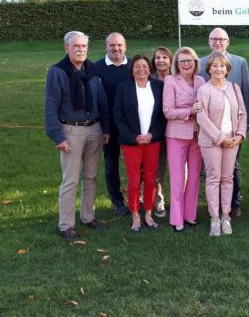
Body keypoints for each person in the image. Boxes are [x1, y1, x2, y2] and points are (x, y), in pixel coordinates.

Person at [44, 31, 110, 241]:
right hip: (71, 131)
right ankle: (66, 225)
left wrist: (106, 129)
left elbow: (102, 101)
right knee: (70, 180)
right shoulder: (57, 72)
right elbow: (50, 106)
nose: (81, 50)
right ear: (67, 48)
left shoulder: (93, 69)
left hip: (95, 129)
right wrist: (57, 136)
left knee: (90, 176)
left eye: (84, 46)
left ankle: (88, 216)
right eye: (76, 46)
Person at [199, 28, 249, 218]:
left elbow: (245, 96)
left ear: (228, 41)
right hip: (210, 131)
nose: (218, 42)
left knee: (232, 169)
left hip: (234, 130)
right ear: (209, 42)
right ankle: (214, 208)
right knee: (212, 174)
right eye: (214, 39)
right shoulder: (201, 63)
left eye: (222, 39)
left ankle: (233, 204)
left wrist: (243, 130)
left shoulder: (240, 62)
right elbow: (200, 94)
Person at [113, 55, 166, 232]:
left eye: (144, 66)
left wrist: (153, 134)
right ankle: (135, 214)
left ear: (149, 68)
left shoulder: (158, 86)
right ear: (132, 69)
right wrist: (133, 137)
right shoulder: (123, 87)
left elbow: (162, 116)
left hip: (152, 141)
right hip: (131, 143)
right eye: (137, 66)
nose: (141, 69)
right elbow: (118, 116)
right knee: (134, 181)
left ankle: (149, 214)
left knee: (151, 179)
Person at [163, 47, 206, 232]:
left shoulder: (201, 80)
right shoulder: (170, 80)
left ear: (195, 62)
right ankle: (177, 218)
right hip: (176, 135)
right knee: (178, 178)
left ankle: (190, 215)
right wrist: (189, 111)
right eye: (182, 61)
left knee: (195, 177)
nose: (186, 64)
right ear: (176, 64)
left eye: (190, 60)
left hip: (197, 135)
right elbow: (167, 111)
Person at [92, 32, 131, 216]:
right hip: (109, 126)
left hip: (132, 126)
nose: (116, 48)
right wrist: (104, 126)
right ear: (105, 47)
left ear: (125, 46)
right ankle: (116, 200)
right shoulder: (96, 68)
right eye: (112, 45)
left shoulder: (134, 66)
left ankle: (136, 198)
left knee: (135, 164)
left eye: (119, 45)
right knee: (111, 163)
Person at [149, 46, 173, 218]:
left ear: (171, 61)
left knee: (181, 169)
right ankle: (158, 201)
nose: (161, 60)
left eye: (165, 57)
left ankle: (181, 201)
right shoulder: (148, 80)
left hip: (176, 130)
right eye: (158, 57)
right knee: (157, 168)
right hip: (156, 130)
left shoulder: (178, 79)